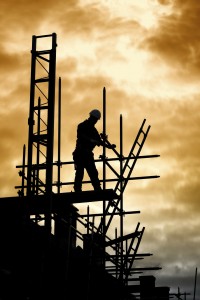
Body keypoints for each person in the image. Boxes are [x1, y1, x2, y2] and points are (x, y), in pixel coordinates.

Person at [72, 109, 115, 192]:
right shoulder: (82, 126)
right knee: (80, 172)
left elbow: (99, 142)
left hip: (87, 154)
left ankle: (97, 188)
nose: (95, 122)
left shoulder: (93, 130)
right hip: (80, 153)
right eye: (95, 120)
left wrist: (109, 146)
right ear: (91, 117)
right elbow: (81, 136)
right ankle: (77, 189)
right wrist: (91, 140)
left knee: (93, 172)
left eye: (96, 120)